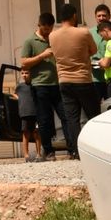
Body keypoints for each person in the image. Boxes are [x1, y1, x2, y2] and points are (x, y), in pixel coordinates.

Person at [48, 3, 100, 160]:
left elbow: (54, 55)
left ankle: (77, 151)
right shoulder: (83, 32)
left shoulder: (52, 36)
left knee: (72, 119)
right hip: (83, 79)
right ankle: (96, 148)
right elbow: (94, 50)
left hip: (64, 81)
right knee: (93, 116)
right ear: (74, 16)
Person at [20, 12, 71, 160]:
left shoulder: (54, 39)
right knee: (44, 120)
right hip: (40, 85)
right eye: (45, 28)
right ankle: (49, 151)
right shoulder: (30, 41)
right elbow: (24, 63)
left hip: (58, 84)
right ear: (39, 25)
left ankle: (72, 149)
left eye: (50, 28)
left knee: (66, 117)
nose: (48, 31)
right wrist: (42, 55)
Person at [13, 68, 42, 162]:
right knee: (26, 133)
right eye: (22, 73)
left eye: (26, 73)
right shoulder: (19, 87)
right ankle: (26, 155)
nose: (24, 75)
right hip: (25, 113)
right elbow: (15, 94)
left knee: (36, 133)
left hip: (36, 112)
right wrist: (17, 98)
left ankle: (39, 154)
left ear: (31, 74)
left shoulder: (35, 85)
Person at [90, 4, 111, 100]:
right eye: (99, 16)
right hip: (95, 79)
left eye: (104, 15)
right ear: (95, 17)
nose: (101, 18)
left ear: (109, 16)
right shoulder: (89, 33)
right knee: (94, 107)